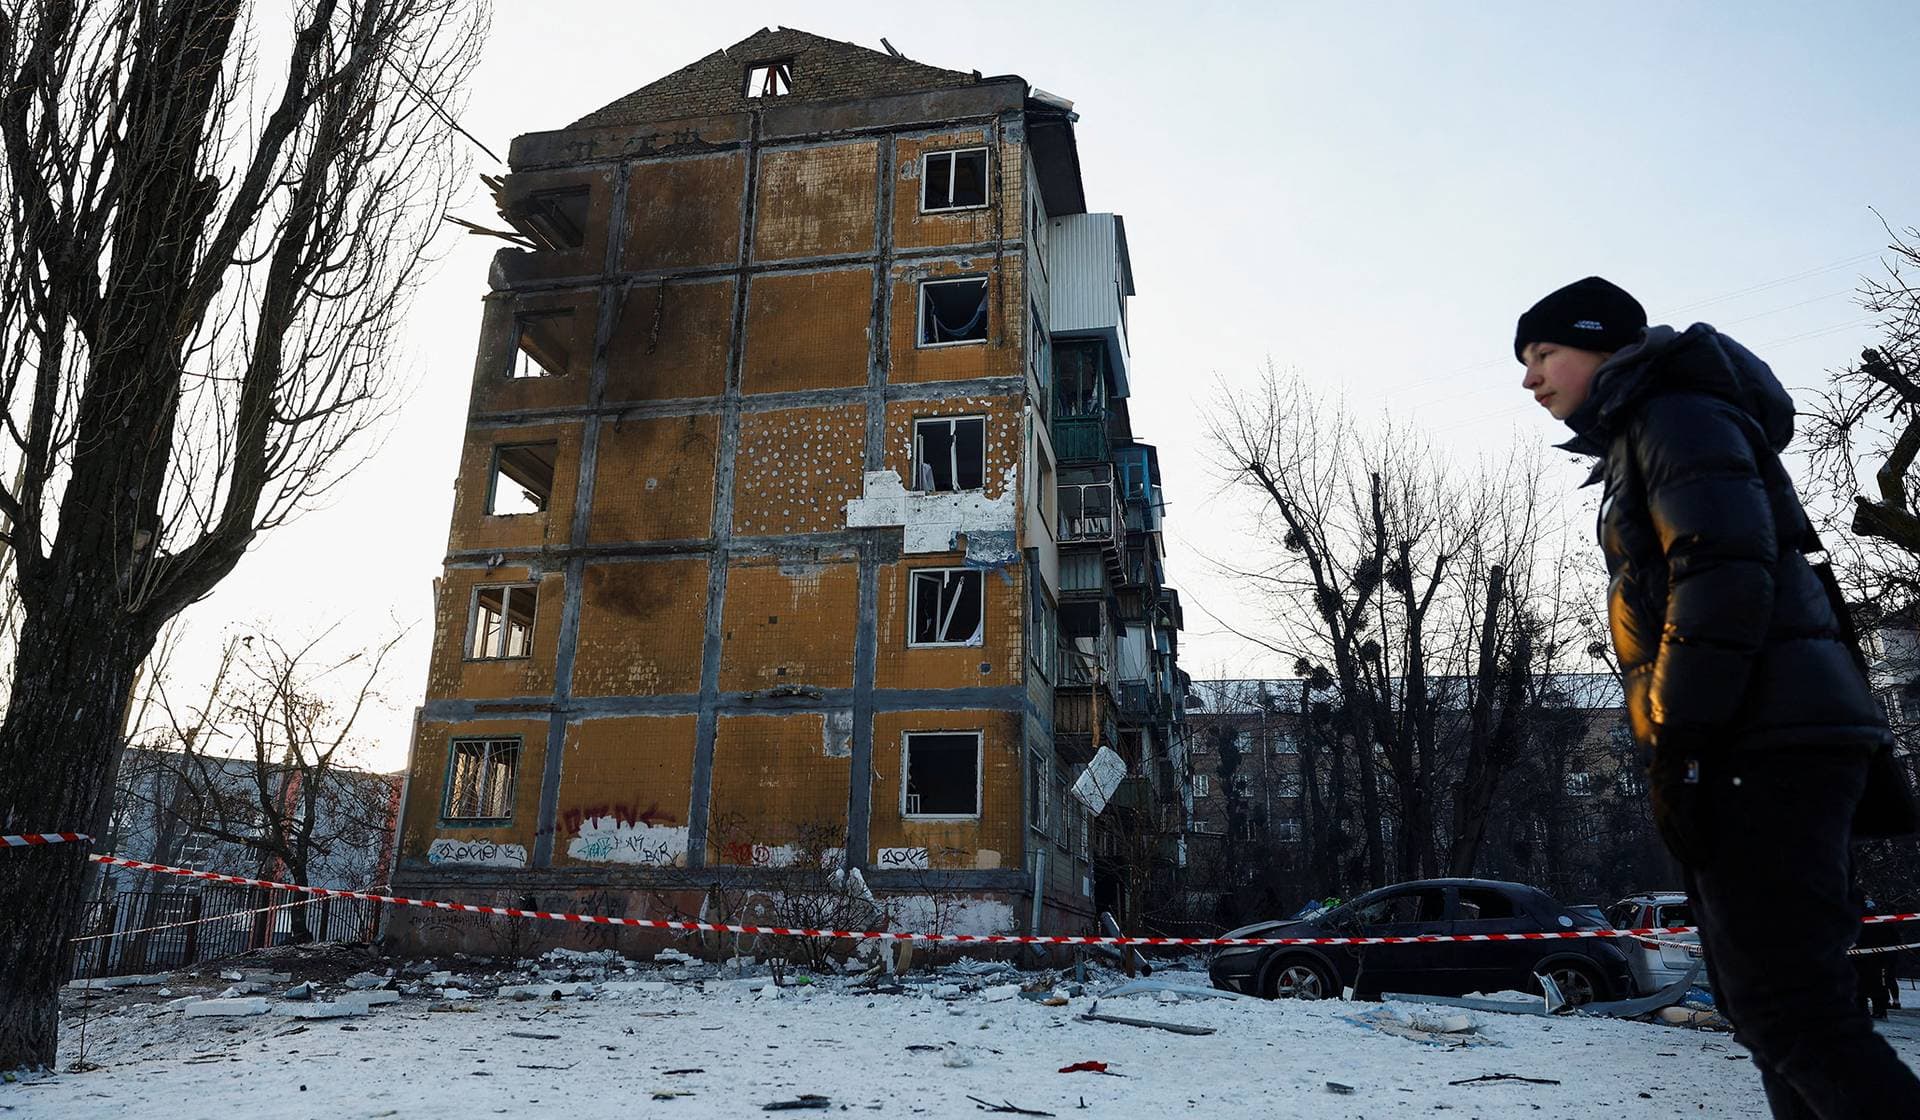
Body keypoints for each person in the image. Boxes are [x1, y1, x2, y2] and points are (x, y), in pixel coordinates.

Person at [1515, 276, 1920, 1118]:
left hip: (1761, 743)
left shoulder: (1674, 417)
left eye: (1544, 352)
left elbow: (1721, 579)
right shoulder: (1654, 426)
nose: (1530, 379)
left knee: (1789, 1007)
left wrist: (1684, 744)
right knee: (1767, 1005)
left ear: (1604, 345)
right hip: (1762, 737)